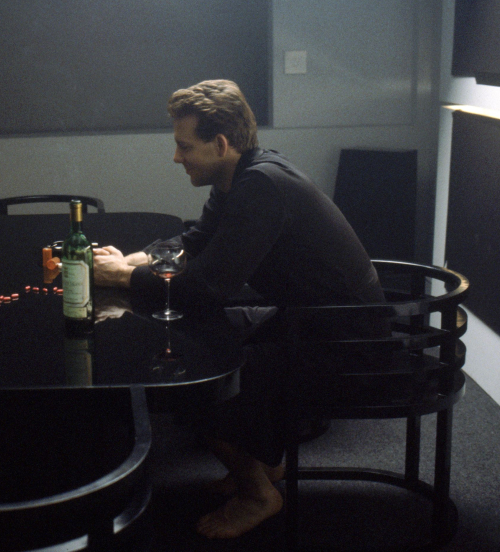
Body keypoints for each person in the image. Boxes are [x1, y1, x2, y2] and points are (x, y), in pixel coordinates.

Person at [93, 79, 384, 539]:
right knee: (191, 337)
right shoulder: (242, 175)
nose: (176, 157)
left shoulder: (260, 187)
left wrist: (121, 278)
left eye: (184, 146)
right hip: (305, 319)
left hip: (344, 340)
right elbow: (194, 241)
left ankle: (257, 493)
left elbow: (207, 288)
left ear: (221, 144)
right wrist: (131, 260)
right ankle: (261, 464)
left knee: (194, 372)